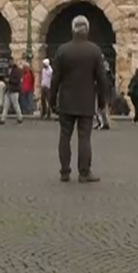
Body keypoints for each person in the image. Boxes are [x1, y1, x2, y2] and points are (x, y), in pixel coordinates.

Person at [50, 15, 109, 183]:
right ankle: (84, 172)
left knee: (64, 136)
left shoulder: (62, 50)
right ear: (87, 30)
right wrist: (102, 101)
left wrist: (52, 100)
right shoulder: (94, 50)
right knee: (84, 137)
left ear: (72, 29)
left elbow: (56, 78)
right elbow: (102, 78)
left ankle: (64, 171)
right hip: (86, 101)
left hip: (66, 100)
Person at [0, 61, 23, 125]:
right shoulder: (8, 70)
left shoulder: (17, 71)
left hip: (14, 90)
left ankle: (20, 117)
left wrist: (9, 80)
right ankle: (2, 119)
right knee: (6, 105)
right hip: (8, 90)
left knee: (15, 105)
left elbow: (17, 81)